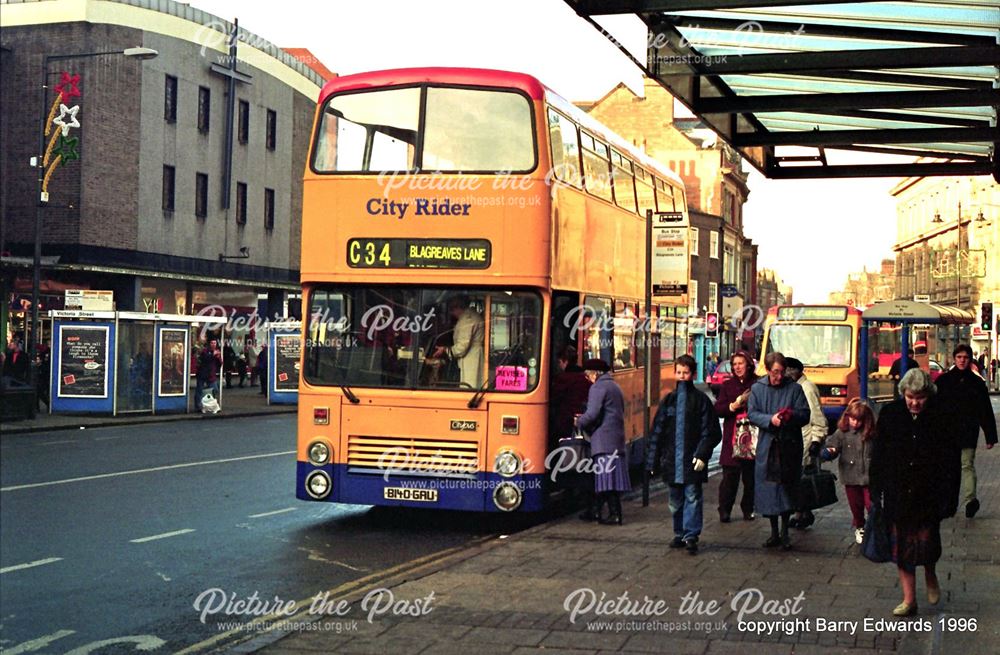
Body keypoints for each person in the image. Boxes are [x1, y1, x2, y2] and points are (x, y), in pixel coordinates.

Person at [870, 368, 960, 617]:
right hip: (898, 491)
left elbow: (951, 460)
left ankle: (930, 573)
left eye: (920, 397)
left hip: (928, 492)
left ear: (928, 395)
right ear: (903, 394)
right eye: (910, 397)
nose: (915, 402)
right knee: (902, 551)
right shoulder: (890, 414)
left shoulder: (941, 416)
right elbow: (878, 455)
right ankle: (909, 599)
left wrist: (951, 497)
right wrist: (876, 489)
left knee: (927, 544)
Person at [647, 354, 722, 554]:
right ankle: (680, 533)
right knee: (675, 499)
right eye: (679, 372)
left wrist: (702, 454)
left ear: (692, 373)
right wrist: (652, 461)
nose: (682, 376)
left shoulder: (700, 401)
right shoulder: (669, 400)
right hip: (672, 460)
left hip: (690, 460)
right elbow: (658, 432)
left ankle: (690, 535)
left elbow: (712, 431)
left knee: (692, 496)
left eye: (685, 373)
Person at [748, 352, 810, 550]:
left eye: (782, 372)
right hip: (768, 446)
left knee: (786, 487)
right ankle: (774, 532)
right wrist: (770, 420)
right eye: (775, 372)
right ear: (767, 370)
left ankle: (784, 532)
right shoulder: (758, 389)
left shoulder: (795, 389)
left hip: (789, 446)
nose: (779, 376)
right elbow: (752, 413)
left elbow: (805, 415)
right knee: (769, 489)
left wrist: (790, 416)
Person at [935, 344, 997, 518]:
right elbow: (934, 408)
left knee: (966, 465)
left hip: (967, 431)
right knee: (950, 468)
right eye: (959, 357)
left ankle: (970, 500)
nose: (962, 360)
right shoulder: (943, 381)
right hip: (947, 433)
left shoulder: (977, 383)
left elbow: (985, 410)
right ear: (954, 359)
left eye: (965, 357)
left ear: (970, 360)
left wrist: (990, 435)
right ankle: (950, 502)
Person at [575, 358, 629, 525]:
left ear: (595, 373)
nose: (587, 378)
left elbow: (592, 414)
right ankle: (597, 512)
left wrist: (578, 421)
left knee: (606, 478)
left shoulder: (598, 387)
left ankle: (614, 514)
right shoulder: (614, 386)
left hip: (603, 439)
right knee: (609, 478)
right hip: (616, 438)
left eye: (588, 374)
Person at [821, 399, 875, 544]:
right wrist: (829, 452)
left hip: (869, 477)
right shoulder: (842, 433)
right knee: (855, 505)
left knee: (871, 504)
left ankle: (873, 527)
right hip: (850, 476)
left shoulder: (871, 434)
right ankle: (860, 526)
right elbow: (833, 445)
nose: (855, 423)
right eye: (852, 419)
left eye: (859, 420)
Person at [713, 350, 758, 522]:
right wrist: (734, 405)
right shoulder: (728, 385)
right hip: (732, 437)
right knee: (729, 478)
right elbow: (719, 409)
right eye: (734, 364)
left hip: (752, 437)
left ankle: (748, 509)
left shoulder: (758, 383)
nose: (737, 367)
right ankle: (724, 509)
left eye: (741, 363)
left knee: (750, 478)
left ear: (748, 364)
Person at [785, 357, 828, 530]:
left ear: (797, 370)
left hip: (806, 439)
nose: (786, 373)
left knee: (802, 479)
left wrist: (816, 440)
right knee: (800, 479)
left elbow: (817, 417)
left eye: (789, 369)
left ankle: (803, 513)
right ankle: (801, 513)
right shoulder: (796, 387)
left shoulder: (806, 388)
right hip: (798, 439)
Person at [433, 295, 484, 388]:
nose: (452, 313)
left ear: (458, 307)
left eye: (452, 310)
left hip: (471, 358)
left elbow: (462, 347)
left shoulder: (467, 320)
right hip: (473, 355)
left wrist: (446, 350)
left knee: (469, 385)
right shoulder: (471, 316)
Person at [195, 338, 223, 411]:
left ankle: (211, 404)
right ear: (209, 344)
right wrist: (213, 355)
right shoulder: (205, 351)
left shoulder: (216, 352)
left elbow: (219, 364)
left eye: (214, 343)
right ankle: (198, 406)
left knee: (215, 389)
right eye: (212, 343)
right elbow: (205, 359)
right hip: (202, 373)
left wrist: (218, 358)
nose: (213, 345)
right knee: (199, 390)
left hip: (211, 374)